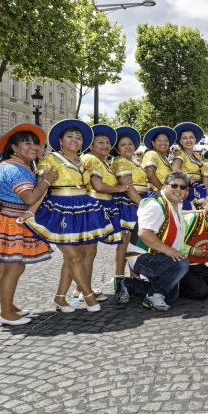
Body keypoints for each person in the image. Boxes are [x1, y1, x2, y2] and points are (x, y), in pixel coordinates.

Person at [0, 124, 56, 326]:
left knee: (3, 269)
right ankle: (5, 312)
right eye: (27, 142)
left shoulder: (12, 165)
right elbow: (30, 197)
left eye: (35, 143)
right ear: (13, 147)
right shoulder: (15, 168)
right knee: (13, 268)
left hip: (4, 221)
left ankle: (8, 307)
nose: (33, 146)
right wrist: (46, 181)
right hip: (10, 222)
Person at [27, 119, 114, 313]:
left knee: (79, 256)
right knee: (73, 255)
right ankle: (88, 295)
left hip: (84, 209)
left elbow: (95, 185)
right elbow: (42, 186)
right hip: (61, 210)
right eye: (70, 137)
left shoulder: (83, 162)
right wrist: (32, 209)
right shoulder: (50, 159)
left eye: (78, 137)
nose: (75, 140)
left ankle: (60, 297)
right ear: (60, 140)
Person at [121, 171, 191, 310]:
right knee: (181, 264)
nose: (178, 190)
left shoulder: (175, 204)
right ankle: (153, 297)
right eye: (174, 186)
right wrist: (168, 250)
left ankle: (128, 284)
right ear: (164, 186)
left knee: (171, 295)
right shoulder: (155, 205)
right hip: (141, 256)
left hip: (156, 255)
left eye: (182, 187)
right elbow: (144, 233)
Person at [80, 124, 128, 301]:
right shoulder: (91, 159)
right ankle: (86, 291)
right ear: (91, 146)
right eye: (99, 142)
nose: (105, 145)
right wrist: (120, 188)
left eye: (107, 142)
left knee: (87, 253)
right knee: (88, 252)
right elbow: (98, 186)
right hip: (93, 207)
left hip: (100, 208)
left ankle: (83, 288)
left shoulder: (103, 162)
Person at [110, 126, 148, 305]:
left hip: (140, 204)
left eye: (130, 144)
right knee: (123, 247)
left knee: (138, 245)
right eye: (123, 145)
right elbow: (128, 186)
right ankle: (119, 282)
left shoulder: (136, 162)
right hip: (128, 205)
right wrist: (144, 206)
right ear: (117, 149)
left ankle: (134, 280)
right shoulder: (120, 162)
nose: (127, 147)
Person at [171, 122, 206, 210]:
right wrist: (186, 180)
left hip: (200, 190)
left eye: (191, 137)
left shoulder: (198, 156)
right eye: (184, 138)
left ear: (195, 139)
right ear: (180, 141)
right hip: (187, 190)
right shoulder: (180, 154)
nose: (188, 140)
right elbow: (175, 169)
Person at [141, 126, 176, 194]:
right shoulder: (151, 154)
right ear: (153, 143)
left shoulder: (165, 158)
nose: (163, 143)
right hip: (154, 193)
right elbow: (150, 175)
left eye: (166, 141)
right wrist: (163, 189)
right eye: (159, 140)